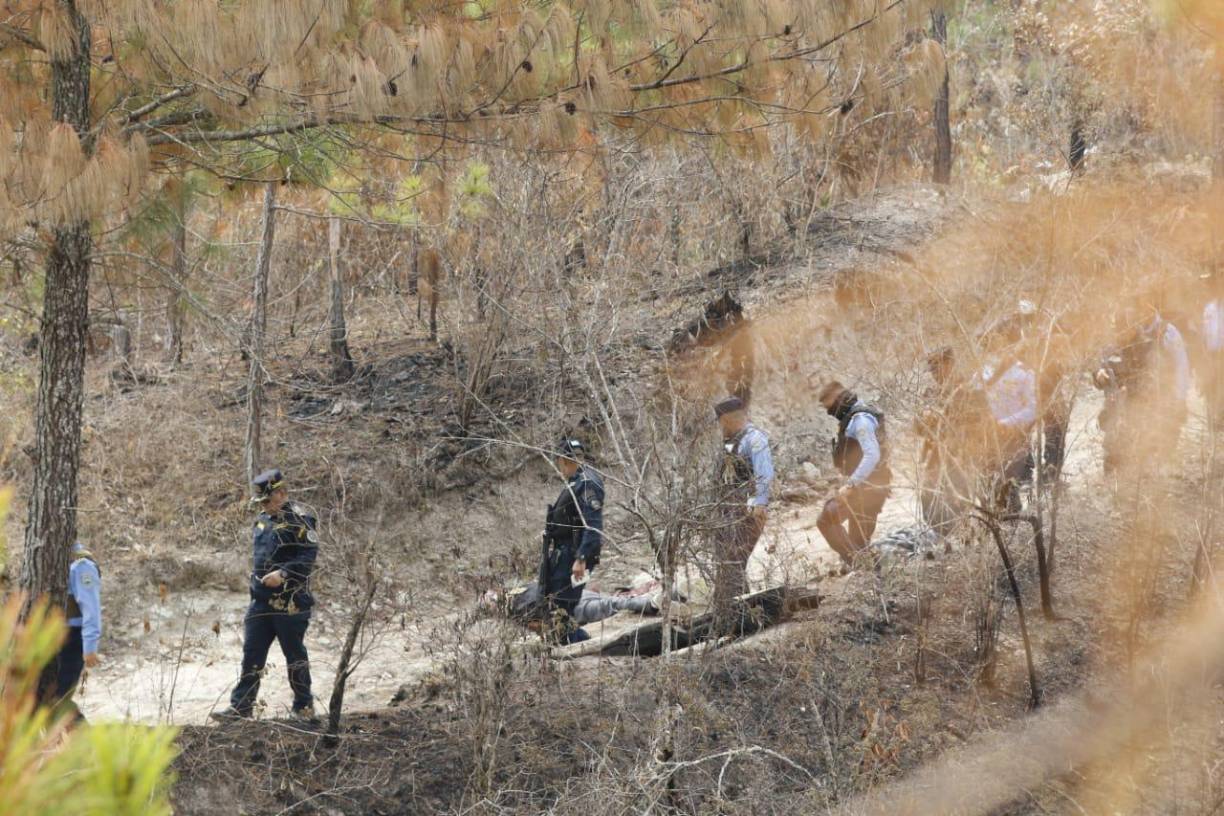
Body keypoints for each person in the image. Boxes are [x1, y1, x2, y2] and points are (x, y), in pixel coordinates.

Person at [212, 469, 319, 722]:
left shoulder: (301, 520)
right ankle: (241, 707)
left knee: (294, 655)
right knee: (252, 654)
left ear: (282, 493)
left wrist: (283, 574)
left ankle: (304, 706)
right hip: (260, 602)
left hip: (290, 602)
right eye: (261, 502)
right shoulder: (262, 520)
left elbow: (307, 558)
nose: (264, 506)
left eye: (267, 500)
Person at [1094, 297, 1191, 473]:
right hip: (1118, 410)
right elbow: (1101, 365)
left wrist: (1179, 399)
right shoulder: (1117, 338)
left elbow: (1181, 368)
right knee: (1114, 457)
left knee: (1153, 453)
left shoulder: (1163, 333)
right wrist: (1099, 375)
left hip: (1151, 405)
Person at [711, 396, 773, 623]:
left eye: (721, 422)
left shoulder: (755, 439)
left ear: (727, 420)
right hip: (727, 514)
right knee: (728, 564)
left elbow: (764, 475)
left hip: (745, 513)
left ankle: (738, 617)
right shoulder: (732, 442)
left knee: (734, 562)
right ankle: (732, 614)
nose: (720, 427)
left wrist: (759, 504)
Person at [816, 382, 891, 568]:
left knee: (835, 525)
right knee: (853, 539)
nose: (829, 412)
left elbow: (872, 455)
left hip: (869, 489)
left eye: (830, 407)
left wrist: (851, 485)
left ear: (840, 400)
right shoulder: (854, 418)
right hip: (865, 487)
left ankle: (866, 570)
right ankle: (864, 568)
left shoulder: (861, 421)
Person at [540, 439, 605, 644]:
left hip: (574, 555)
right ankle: (567, 642)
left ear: (563, 460)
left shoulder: (586, 483)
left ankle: (577, 644)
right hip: (566, 553)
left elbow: (593, 525)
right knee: (557, 604)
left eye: (559, 462)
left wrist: (582, 558)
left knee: (561, 606)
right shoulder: (577, 481)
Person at [974, 355, 1038, 511]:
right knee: (988, 488)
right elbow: (972, 400)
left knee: (1010, 488)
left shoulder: (1024, 373)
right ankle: (992, 527)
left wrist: (1006, 423)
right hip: (986, 441)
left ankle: (1017, 524)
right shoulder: (984, 372)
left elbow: (1033, 409)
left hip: (1013, 439)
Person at [52, 541, 102, 719]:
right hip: (52, 638)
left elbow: (91, 609)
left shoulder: (82, 566)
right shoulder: (50, 559)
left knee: (59, 700)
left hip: (72, 640)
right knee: (43, 696)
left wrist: (89, 647)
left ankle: (85, 743)